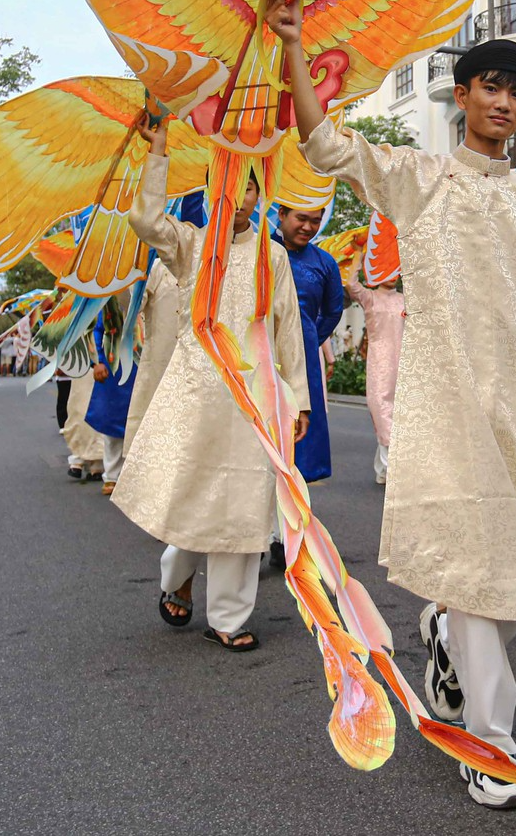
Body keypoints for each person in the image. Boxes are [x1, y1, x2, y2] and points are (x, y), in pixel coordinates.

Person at [277, 0, 516, 812]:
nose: (505, 104)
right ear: (462, 95)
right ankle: (489, 743)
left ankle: (443, 638)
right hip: (447, 400)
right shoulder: (419, 180)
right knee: (481, 565)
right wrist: (296, 50)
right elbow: (325, 142)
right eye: (491, 87)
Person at [112, 122, 310, 652]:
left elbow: (286, 327)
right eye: (225, 184)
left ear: (257, 193)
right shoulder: (189, 243)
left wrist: (299, 397)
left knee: (247, 502)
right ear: (208, 188)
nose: (237, 197)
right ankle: (176, 574)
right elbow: (144, 219)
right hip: (195, 395)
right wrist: (157, 151)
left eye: (246, 186)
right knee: (191, 495)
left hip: (253, 400)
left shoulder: (274, 256)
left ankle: (228, 616)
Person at [278, 202, 344, 488]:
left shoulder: (325, 262)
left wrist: (308, 340)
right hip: (262, 353)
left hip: (304, 360)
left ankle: (290, 521)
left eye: (315, 221)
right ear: (281, 214)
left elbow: (333, 311)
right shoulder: (262, 252)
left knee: (299, 437)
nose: (308, 227)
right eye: (301, 219)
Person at [341, 263, 404, 485]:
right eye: (386, 270)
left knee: (400, 415)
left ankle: (383, 468)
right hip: (380, 364)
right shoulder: (370, 298)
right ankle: (390, 468)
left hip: (404, 363)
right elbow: (350, 283)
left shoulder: (405, 300)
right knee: (381, 409)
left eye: (395, 271)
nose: (392, 276)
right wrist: (360, 253)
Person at [119, 259, 184, 468]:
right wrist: (120, 270)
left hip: (201, 375)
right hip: (160, 372)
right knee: (157, 455)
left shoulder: (212, 262)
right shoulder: (155, 267)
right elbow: (131, 305)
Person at [84, 303, 137, 495]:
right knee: (113, 420)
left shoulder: (153, 283)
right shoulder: (109, 296)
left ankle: (137, 475)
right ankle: (112, 477)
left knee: (142, 420)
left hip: (144, 365)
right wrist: (97, 361)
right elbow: (95, 331)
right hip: (114, 365)